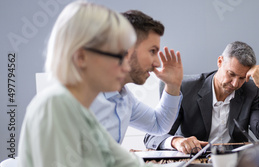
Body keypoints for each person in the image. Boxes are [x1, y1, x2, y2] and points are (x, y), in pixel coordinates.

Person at [18, 2, 162, 166]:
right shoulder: (55, 105)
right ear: (81, 57)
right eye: (118, 55)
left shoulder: (86, 117)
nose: (126, 65)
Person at [144, 41, 259, 153]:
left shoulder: (252, 90)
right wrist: (176, 141)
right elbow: (152, 136)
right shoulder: (185, 88)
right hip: (194, 160)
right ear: (220, 62)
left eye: (242, 78)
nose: (235, 83)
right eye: (231, 74)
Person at [90, 10, 183, 144]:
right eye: (152, 51)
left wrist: (173, 86)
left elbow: (158, 125)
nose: (157, 63)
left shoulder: (125, 99)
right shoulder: (80, 98)